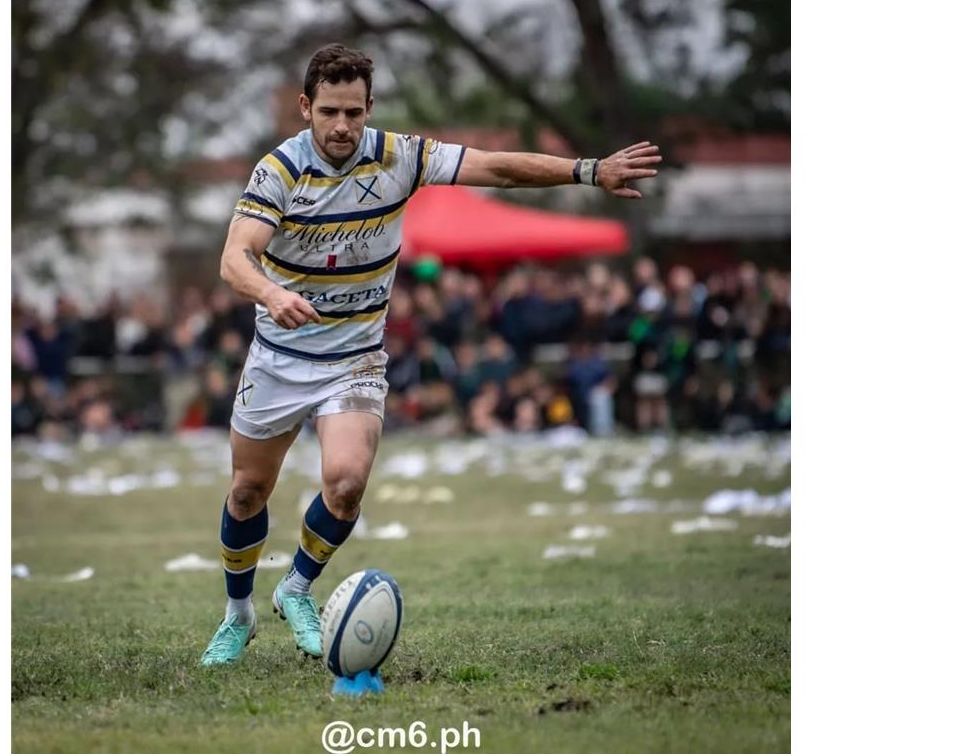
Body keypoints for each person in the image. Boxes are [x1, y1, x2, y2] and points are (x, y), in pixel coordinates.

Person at [201, 43, 662, 666]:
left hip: (354, 357)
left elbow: (497, 169)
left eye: (354, 112)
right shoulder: (278, 171)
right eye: (330, 111)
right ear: (306, 108)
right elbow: (235, 258)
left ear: (370, 108)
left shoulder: (399, 156)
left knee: (344, 485)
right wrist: (270, 293)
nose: (342, 126)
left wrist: (588, 171)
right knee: (248, 491)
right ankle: (238, 613)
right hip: (279, 356)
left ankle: (297, 586)